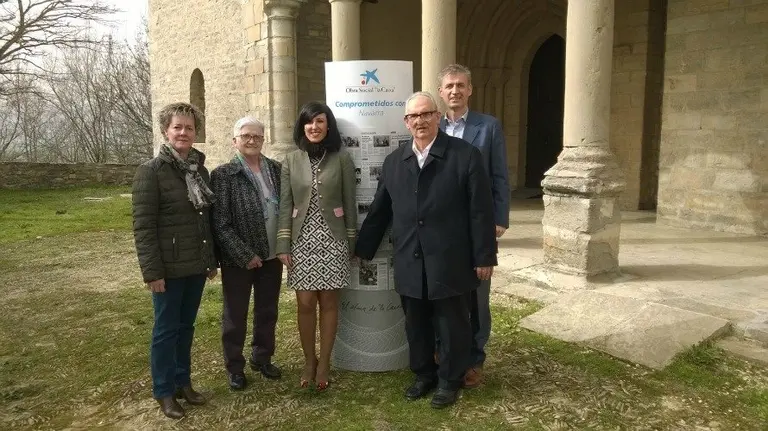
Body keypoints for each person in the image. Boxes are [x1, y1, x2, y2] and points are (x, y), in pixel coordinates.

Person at [355, 92, 497, 409]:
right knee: (416, 324)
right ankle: (424, 375)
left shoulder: (465, 156)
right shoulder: (394, 162)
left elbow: (480, 212)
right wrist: (363, 248)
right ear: (406, 123)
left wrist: (485, 255)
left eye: (425, 114)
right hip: (409, 259)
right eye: (413, 117)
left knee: (452, 324)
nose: (419, 121)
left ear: (437, 117)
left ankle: (450, 380)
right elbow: (380, 211)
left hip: (451, 260)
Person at [132, 102, 218, 419]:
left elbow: (203, 221)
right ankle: (164, 391)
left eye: (189, 127)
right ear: (166, 131)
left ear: (196, 133)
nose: (184, 132)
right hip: (167, 269)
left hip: (194, 265)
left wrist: (210, 262)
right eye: (177, 127)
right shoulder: (150, 172)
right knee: (166, 331)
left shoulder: (199, 170)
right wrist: (152, 273)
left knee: (186, 327)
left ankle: (183, 383)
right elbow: (143, 227)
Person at [437, 64, 511, 388]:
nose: (455, 91)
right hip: (443, 229)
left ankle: (474, 360)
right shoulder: (431, 126)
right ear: (441, 92)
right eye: (449, 86)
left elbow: (499, 175)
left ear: (470, 90)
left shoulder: (488, 127)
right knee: (444, 293)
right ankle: (443, 352)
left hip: (478, 226)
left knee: (478, 298)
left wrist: (499, 217)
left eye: (460, 85)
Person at [276, 101, 357, 391]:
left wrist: (350, 243)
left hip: (333, 239)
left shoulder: (341, 159)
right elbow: (285, 205)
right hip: (301, 240)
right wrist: (283, 244)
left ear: (328, 125)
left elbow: (349, 203)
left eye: (320, 121)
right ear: (302, 126)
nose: (314, 127)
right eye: (309, 122)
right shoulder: (291, 160)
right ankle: (308, 360)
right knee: (305, 303)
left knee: (330, 303)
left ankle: (325, 363)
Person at [211, 117, 283, 391]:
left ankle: (262, 358)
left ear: (263, 139)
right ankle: (235, 367)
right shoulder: (224, 175)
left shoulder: (276, 170)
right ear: (235, 141)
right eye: (245, 136)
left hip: (271, 256)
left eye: (257, 136)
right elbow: (220, 223)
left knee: (267, 311)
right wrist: (245, 254)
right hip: (238, 259)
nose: (251, 140)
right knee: (235, 314)